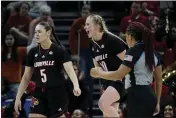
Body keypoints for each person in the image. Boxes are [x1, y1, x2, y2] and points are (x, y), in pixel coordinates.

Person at [90, 22, 162, 117]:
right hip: (150, 96)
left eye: (126, 36)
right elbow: (159, 80)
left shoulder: (132, 51)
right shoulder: (154, 53)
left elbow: (119, 74)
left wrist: (99, 73)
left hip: (136, 95)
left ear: (130, 36)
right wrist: (157, 102)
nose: (126, 40)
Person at [14, 21, 81, 118]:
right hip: (39, 92)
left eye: (39, 32)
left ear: (48, 33)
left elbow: (70, 70)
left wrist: (76, 85)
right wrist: (18, 97)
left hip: (56, 92)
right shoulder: (33, 52)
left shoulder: (58, 50)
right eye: (35, 32)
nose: (36, 34)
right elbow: (26, 77)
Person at [84, 14, 127, 117]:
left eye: (88, 24)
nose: (85, 27)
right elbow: (98, 68)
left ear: (97, 26)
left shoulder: (112, 40)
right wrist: (96, 72)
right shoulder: (92, 44)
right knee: (107, 115)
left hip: (120, 79)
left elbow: (129, 62)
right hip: (107, 82)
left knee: (102, 103)